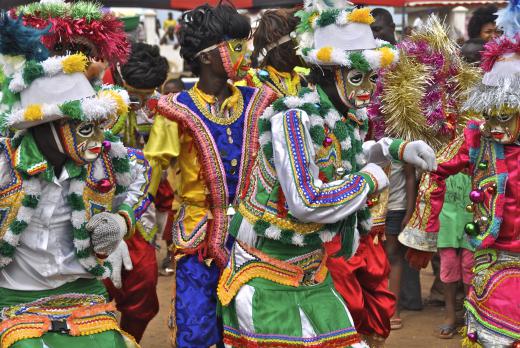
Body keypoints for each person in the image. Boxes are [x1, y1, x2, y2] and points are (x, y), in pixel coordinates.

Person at [217, 2, 436, 346]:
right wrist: (370, 179)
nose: (367, 88)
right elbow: (307, 200)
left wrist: (393, 148)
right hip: (268, 271)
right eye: (355, 77)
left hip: (312, 268)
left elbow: (337, 159)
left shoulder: (344, 114)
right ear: (326, 72)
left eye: (371, 77)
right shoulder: (294, 119)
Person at [0, 13, 139, 348]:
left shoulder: (107, 157)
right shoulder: (6, 161)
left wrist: (120, 224)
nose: (98, 139)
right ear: (48, 126)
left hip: (84, 293)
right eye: (86, 128)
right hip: (12, 301)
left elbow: (135, 188)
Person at [143, 3, 276, 347]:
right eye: (235, 46)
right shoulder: (176, 110)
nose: (244, 53)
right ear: (206, 57)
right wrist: (135, 220)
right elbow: (152, 170)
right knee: (196, 326)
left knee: (253, 326)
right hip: (197, 237)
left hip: (252, 235)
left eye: (243, 44)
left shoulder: (261, 100)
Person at [401, 1, 520, 345]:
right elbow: (437, 170)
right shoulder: (477, 135)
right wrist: (422, 234)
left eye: (507, 116)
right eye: (492, 115)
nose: (496, 127)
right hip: (491, 255)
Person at [436, 173, 474, 339]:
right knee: (448, 265)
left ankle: (471, 316)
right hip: (446, 220)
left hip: (474, 219)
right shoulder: (442, 160)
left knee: (470, 266)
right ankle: (450, 315)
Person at [111, 42, 169, 148]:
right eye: (133, 94)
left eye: (147, 95)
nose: (140, 102)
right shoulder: (105, 101)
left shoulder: (159, 105)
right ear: (122, 81)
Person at [247, 8, 303, 96]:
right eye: (298, 44)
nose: (303, 49)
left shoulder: (302, 80)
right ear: (284, 49)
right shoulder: (252, 83)